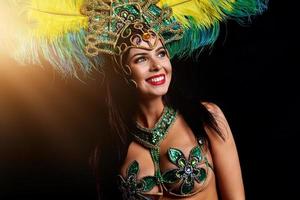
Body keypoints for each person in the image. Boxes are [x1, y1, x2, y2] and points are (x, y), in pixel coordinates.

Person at [1, 0, 267, 199]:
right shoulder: (109, 150)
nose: (157, 66)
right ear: (122, 72)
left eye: (161, 54)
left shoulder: (207, 118)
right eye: (141, 58)